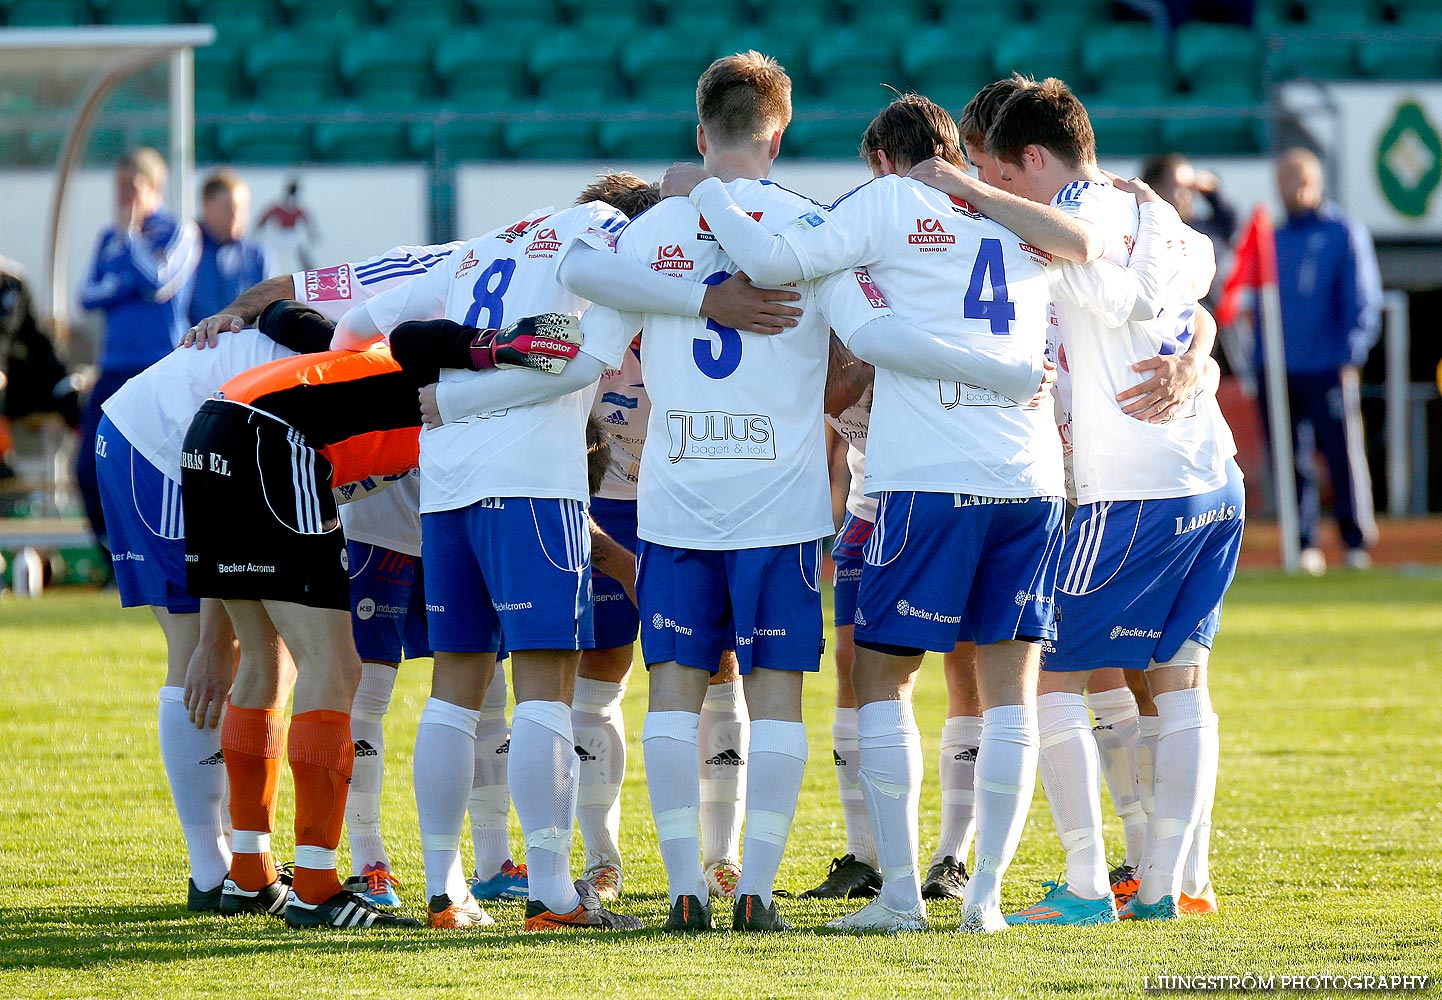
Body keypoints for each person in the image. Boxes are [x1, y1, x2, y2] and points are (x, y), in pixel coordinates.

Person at [331, 169, 793, 931]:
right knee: (544, 687)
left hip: (447, 487)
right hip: (533, 485)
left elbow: (355, 330)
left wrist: (422, 411)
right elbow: (580, 338)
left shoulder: (478, 248)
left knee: (455, 688)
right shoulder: (608, 237)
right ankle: (553, 893)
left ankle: (446, 892)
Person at [662, 89, 1066, 934]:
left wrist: (702, 191)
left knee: (882, 678)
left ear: (883, 162)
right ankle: (985, 897)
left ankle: (900, 894)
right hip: (1032, 478)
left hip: (927, 474)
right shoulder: (1030, 219)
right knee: (1009, 692)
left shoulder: (885, 204)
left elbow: (778, 264)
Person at [974, 76, 1236, 924]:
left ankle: (1088, 884)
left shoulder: (1074, 225)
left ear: (1034, 160)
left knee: (1049, 675)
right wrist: (1199, 345)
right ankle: (1174, 885)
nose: (1002, 199)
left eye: (1005, 180)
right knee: (1181, 679)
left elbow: (1119, 294)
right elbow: (1195, 280)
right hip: (1212, 476)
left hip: (1136, 490)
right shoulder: (1149, 211)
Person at [76, 147, 200, 558]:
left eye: (132, 187)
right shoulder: (107, 237)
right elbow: (87, 296)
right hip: (113, 367)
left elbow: (160, 283)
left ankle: (169, 555)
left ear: (154, 187)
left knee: (161, 466)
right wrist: (125, 278)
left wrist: (131, 246)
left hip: (158, 366)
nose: (124, 197)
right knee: (89, 467)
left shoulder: (178, 230)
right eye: (119, 188)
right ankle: (114, 557)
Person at [1271, 147, 1382, 575]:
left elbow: (1363, 300)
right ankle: (1303, 545)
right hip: (1281, 371)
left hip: (1329, 367)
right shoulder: (1274, 238)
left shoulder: (1343, 233)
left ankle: (1355, 543)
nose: (1289, 189)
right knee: (1292, 461)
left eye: (1296, 179)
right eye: (1282, 180)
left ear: (1315, 181)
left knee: (1342, 455)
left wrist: (1349, 355)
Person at [187, 170, 268, 330]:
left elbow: (267, 308)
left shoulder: (257, 255)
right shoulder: (185, 250)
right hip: (194, 347)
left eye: (242, 209)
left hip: (242, 349)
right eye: (228, 208)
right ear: (205, 205)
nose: (236, 216)